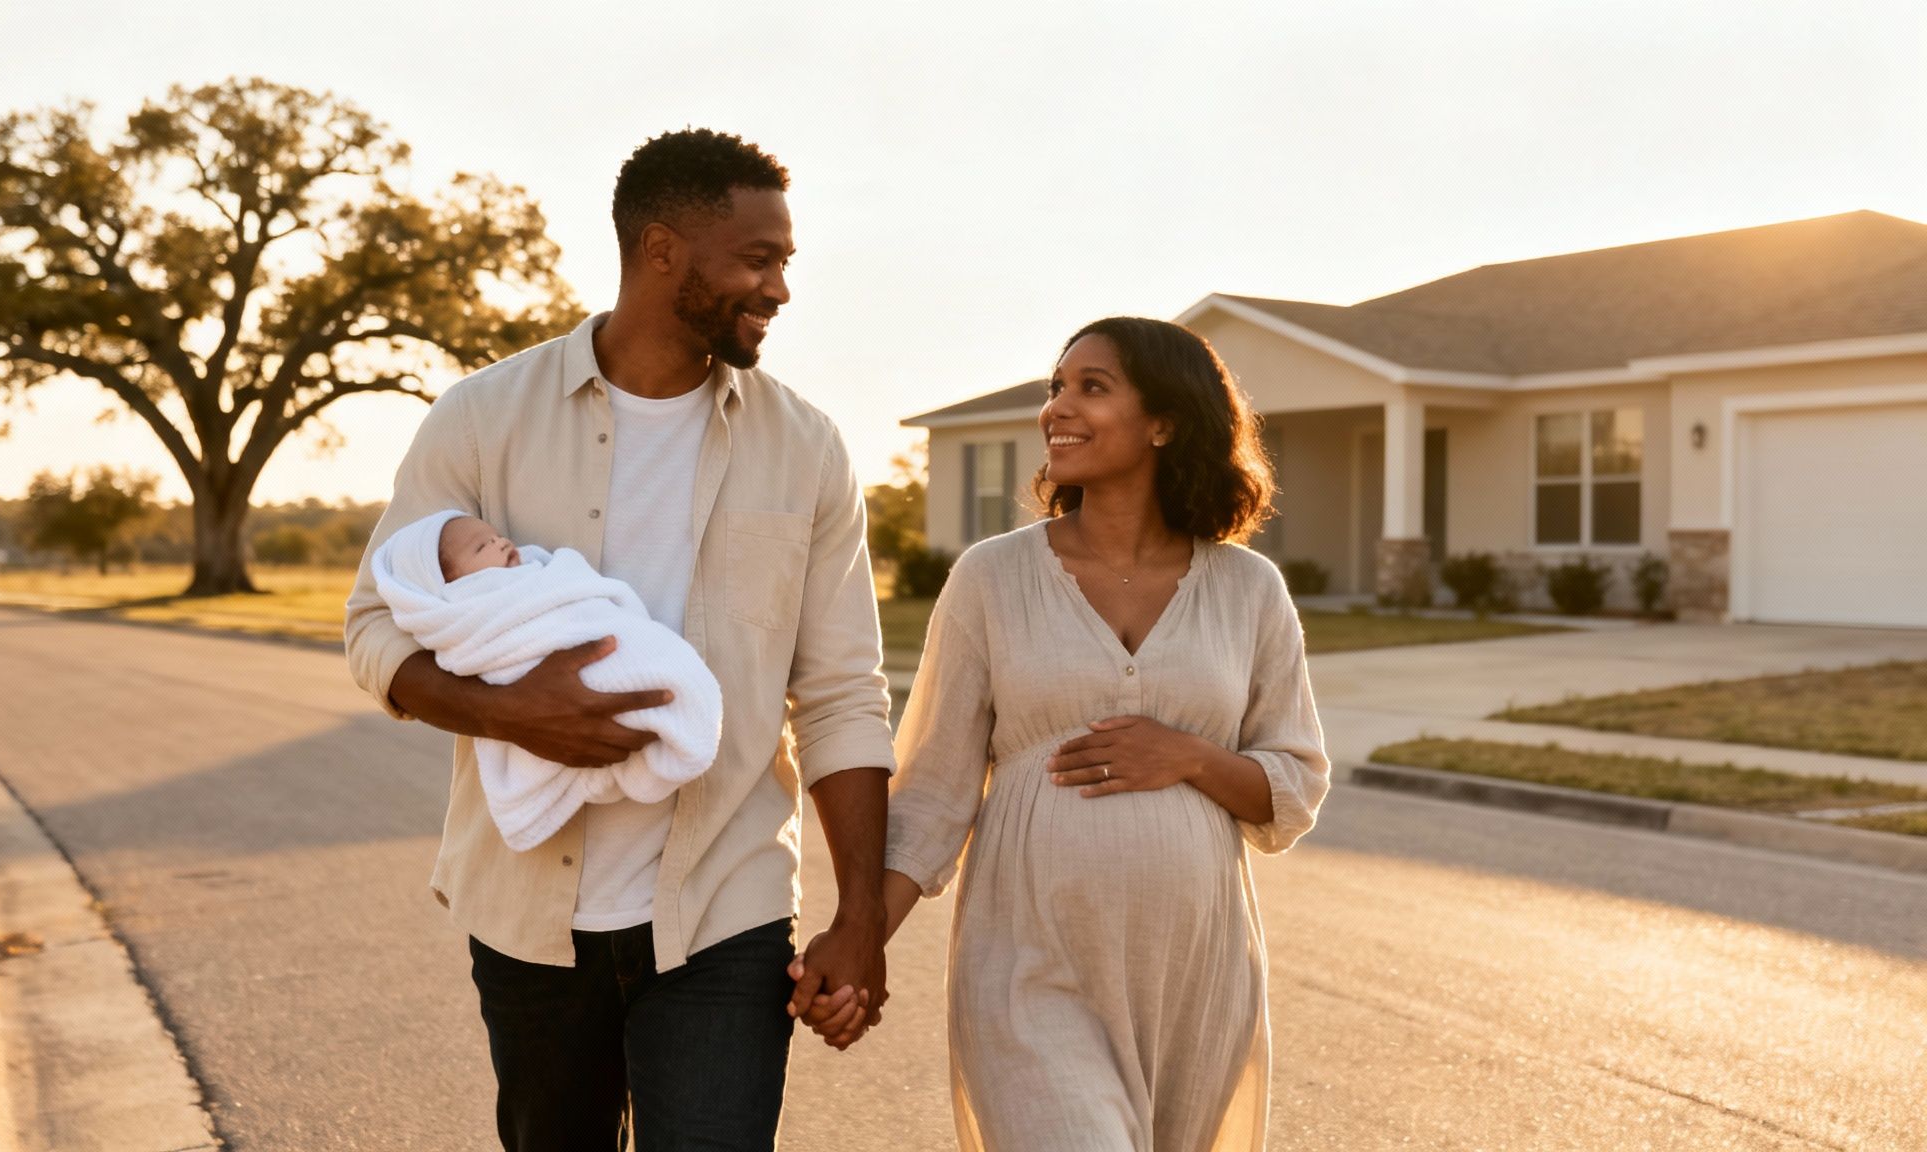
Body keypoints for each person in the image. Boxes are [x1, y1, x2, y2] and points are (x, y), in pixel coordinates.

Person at [344, 128, 894, 1152]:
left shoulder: (807, 448)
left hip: (726, 909)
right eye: (758, 260)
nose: (778, 289)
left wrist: (861, 917)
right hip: (527, 916)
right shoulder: (481, 418)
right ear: (661, 250)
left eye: (784, 262)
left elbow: (840, 694)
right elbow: (373, 626)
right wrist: (509, 714)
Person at [873, 316, 1332, 1151]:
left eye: (1092, 387)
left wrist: (1191, 755)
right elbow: (932, 794)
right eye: (1057, 387)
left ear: (1164, 422)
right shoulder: (992, 578)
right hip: (1029, 964)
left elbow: (1293, 787)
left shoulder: (1249, 590)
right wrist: (858, 942)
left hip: (1195, 973)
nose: (1057, 408)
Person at [370, 508, 724, 852]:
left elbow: (579, 597)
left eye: (495, 536)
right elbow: (486, 648)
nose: (500, 542)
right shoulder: (468, 611)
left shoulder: (544, 570)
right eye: (481, 547)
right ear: (448, 585)